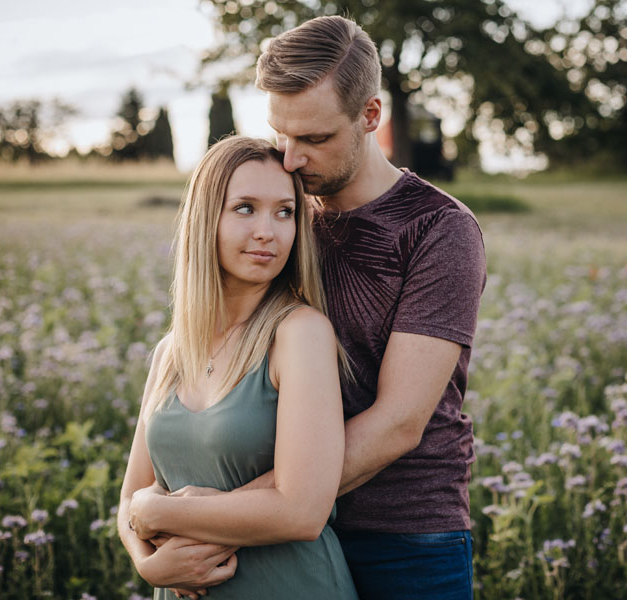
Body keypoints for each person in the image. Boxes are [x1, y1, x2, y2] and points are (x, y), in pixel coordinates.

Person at [144, 15, 488, 599]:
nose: (292, 159)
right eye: (282, 135)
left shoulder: (439, 229)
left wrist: (226, 514)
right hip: (277, 529)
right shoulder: (286, 214)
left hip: (401, 534)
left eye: (315, 138)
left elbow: (398, 424)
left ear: (371, 118)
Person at [117, 136, 358, 600]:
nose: (268, 230)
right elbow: (131, 498)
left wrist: (158, 513)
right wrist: (148, 565)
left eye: (285, 211)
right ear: (206, 219)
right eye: (245, 208)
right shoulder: (171, 353)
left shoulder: (299, 333)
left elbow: (302, 511)